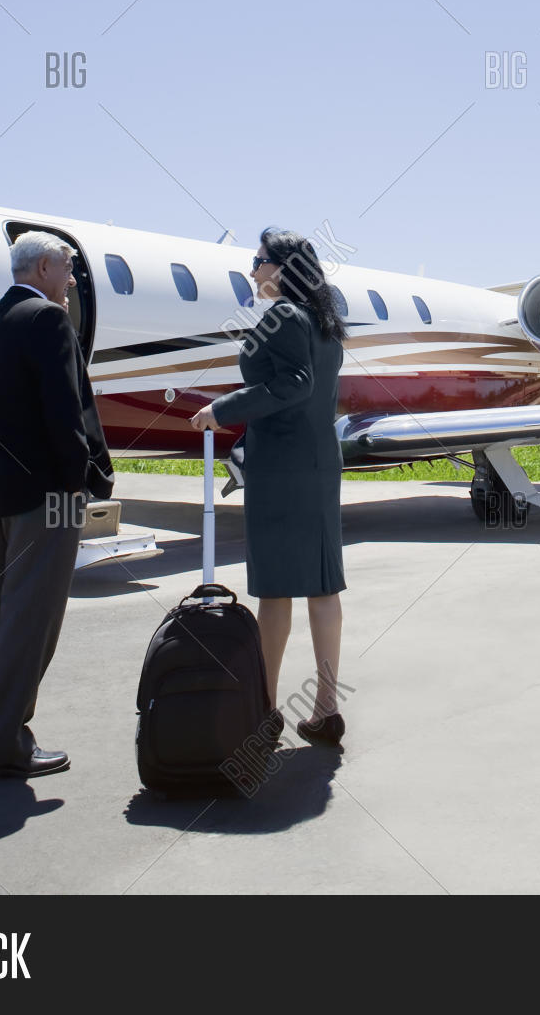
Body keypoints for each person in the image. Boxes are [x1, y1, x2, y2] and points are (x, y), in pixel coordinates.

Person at [191, 231, 348, 747]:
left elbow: (293, 383)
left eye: (258, 263)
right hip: (321, 464)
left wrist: (222, 409)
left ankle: (263, 710)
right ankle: (326, 709)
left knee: (276, 589)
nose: (253, 272)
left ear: (281, 268)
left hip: (282, 468)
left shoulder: (282, 316)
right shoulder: (326, 321)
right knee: (323, 585)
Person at [0, 231, 114, 779]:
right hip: (48, 497)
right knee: (32, 619)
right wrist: (80, 483)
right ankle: (3, 742)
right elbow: (65, 413)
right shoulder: (48, 321)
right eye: (70, 266)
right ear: (45, 265)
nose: (74, 279)